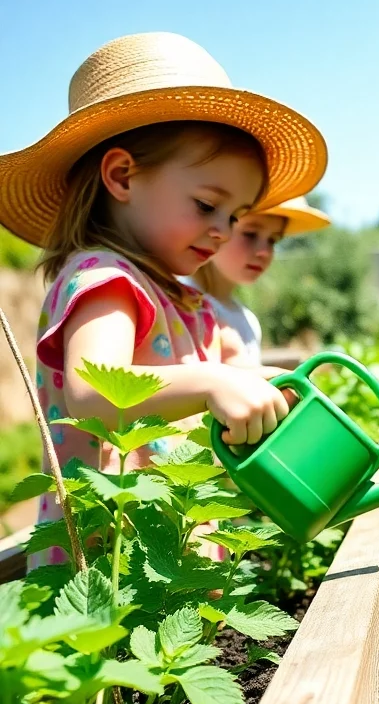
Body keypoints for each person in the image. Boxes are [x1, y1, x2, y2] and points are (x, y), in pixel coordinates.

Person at [0, 32, 327, 545]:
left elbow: (221, 375)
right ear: (123, 176)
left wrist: (259, 383)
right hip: (114, 559)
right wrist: (214, 383)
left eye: (236, 215)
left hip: (174, 554)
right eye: (206, 205)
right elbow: (93, 394)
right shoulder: (104, 278)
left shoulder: (184, 299)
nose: (223, 229)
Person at [189, 196, 331, 366]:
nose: (264, 251)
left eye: (273, 240)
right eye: (250, 234)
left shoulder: (247, 319)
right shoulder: (181, 307)